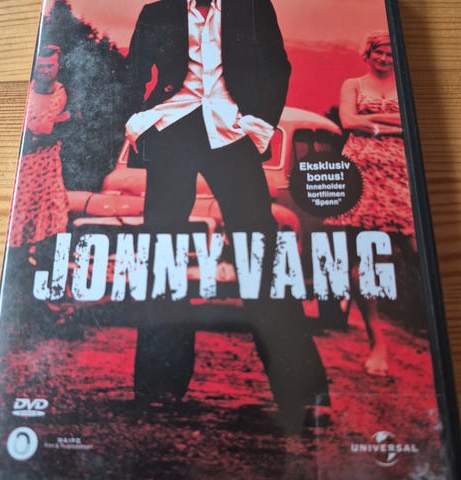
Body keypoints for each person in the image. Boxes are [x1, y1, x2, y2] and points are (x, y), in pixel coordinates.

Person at [124, 0, 329, 430]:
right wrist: (137, 123)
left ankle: (302, 392)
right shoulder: (156, 12)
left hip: (233, 133)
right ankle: (159, 387)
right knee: (163, 251)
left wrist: (257, 127)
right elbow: (131, 75)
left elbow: (277, 69)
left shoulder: (253, 7)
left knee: (261, 253)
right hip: (171, 130)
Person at [325, 32, 415, 376]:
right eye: (379, 52)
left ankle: (428, 319)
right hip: (362, 175)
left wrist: (372, 124)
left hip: (401, 176)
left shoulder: (405, 85)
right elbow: (349, 121)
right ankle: (377, 342)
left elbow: (412, 122)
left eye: (391, 53)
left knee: (417, 249)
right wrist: (395, 124)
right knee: (365, 260)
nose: (384, 58)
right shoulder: (353, 85)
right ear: (368, 53)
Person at [9, 45, 71, 251]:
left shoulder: (65, 94)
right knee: (19, 223)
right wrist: (41, 129)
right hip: (23, 171)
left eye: (49, 66)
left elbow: (62, 127)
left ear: (58, 66)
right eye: (40, 66)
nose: (45, 71)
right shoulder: (24, 93)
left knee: (54, 220)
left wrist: (43, 128)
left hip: (49, 171)